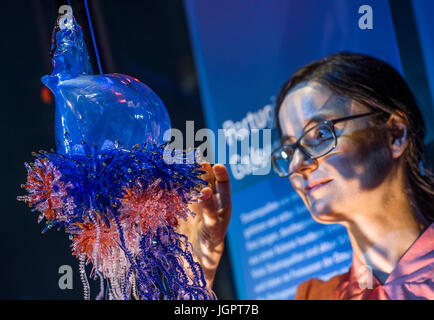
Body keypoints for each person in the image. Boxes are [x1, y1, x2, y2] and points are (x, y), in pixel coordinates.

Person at [176, 52, 434, 300]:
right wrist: (194, 276)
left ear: (395, 135)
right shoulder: (313, 296)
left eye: (321, 135)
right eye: (289, 151)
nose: (298, 165)